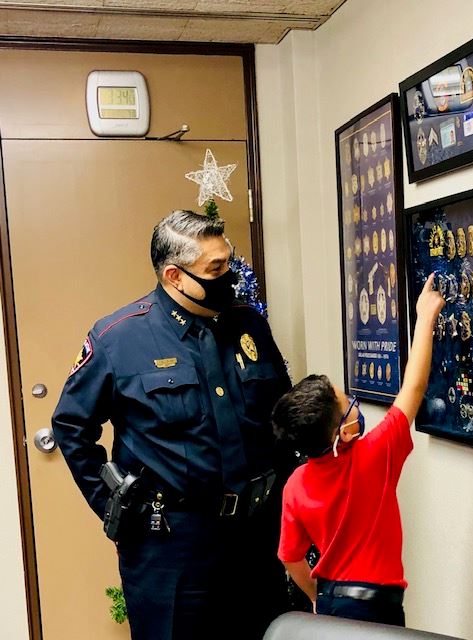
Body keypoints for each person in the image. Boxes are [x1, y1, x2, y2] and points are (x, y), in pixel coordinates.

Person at [52, 209, 295, 640]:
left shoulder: (250, 324)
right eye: (216, 269)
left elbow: (281, 413)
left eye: (229, 261)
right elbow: (71, 426)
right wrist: (117, 509)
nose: (230, 277)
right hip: (170, 546)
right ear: (175, 276)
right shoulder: (118, 337)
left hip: (256, 538)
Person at [271, 272, 445, 626]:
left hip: (333, 601)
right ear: (343, 433)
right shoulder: (375, 453)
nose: (353, 402)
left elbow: (290, 557)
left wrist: (315, 597)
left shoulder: (296, 485)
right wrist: (425, 316)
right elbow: (414, 386)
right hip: (378, 606)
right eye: (346, 402)